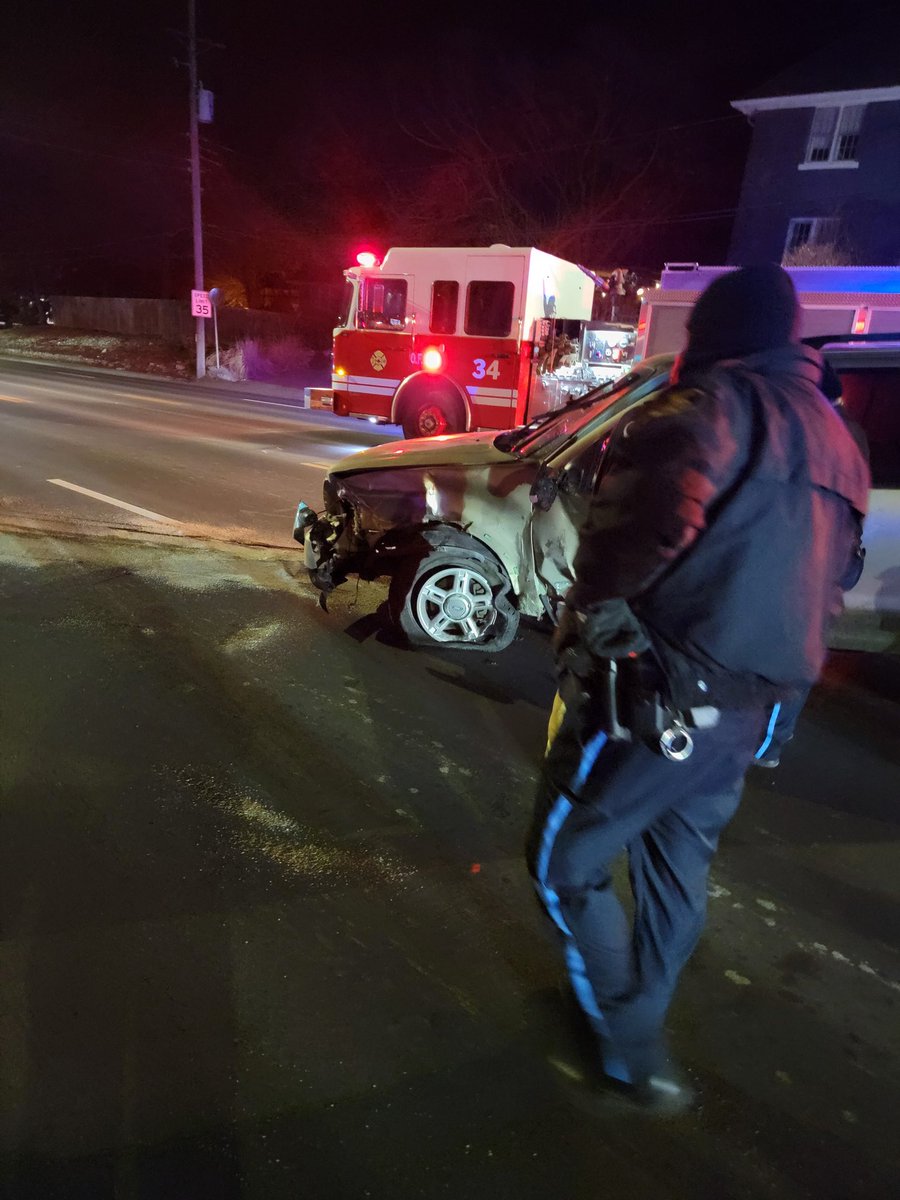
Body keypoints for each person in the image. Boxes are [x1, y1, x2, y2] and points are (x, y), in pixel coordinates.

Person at [525, 265, 870, 1112]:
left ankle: (628, 1049)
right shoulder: (841, 441)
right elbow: (830, 587)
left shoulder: (706, 409)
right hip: (754, 708)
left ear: (711, 335)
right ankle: (637, 1030)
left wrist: (586, 643)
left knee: (563, 862)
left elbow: (624, 548)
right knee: (679, 871)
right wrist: (781, 711)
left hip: (661, 693)